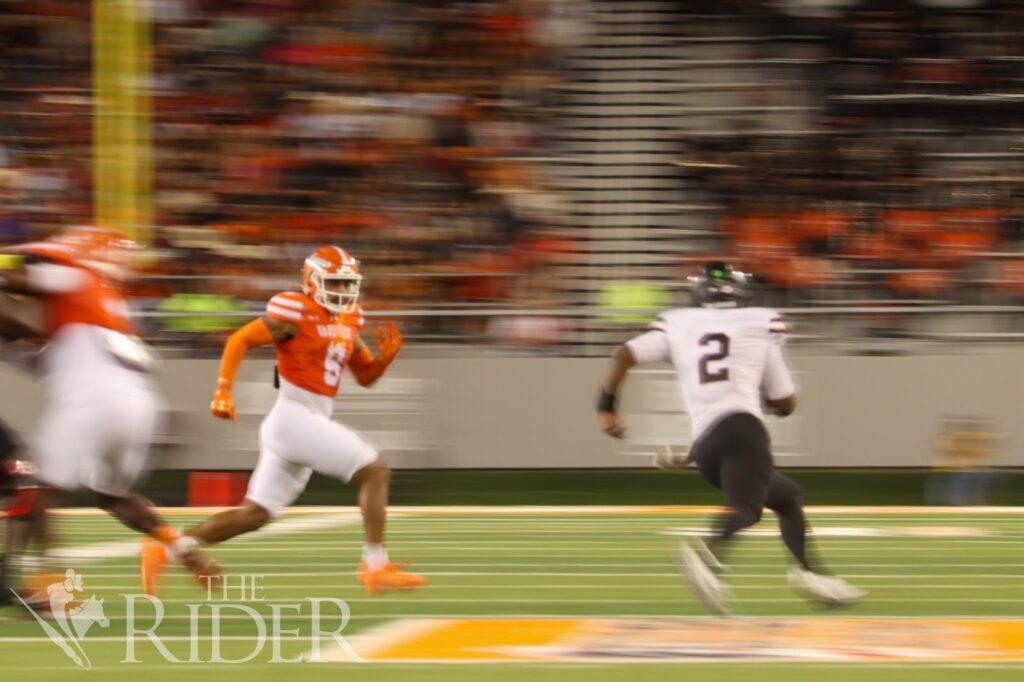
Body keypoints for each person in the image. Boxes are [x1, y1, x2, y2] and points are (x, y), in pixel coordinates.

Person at [141, 246, 427, 596]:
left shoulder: (348, 318)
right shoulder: (295, 312)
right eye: (335, 283)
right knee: (375, 471)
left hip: (299, 423)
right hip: (295, 418)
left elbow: (365, 376)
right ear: (313, 281)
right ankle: (376, 565)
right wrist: (223, 390)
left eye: (347, 284)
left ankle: (168, 547)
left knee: (255, 515)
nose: (342, 291)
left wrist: (384, 360)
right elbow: (240, 339)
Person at [596, 262, 865, 614]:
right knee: (747, 510)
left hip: (707, 448)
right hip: (743, 430)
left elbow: (624, 354)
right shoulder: (759, 324)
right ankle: (707, 558)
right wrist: (769, 400)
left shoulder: (678, 323)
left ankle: (811, 574)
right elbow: (785, 401)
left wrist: (607, 407)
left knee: (787, 497)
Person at [0, 226, 219, 593]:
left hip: (93, 399)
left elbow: (15, 280)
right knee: (112, 495)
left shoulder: (73, 275)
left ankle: (50, 588)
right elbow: (51, 356)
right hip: (141, 407)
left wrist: (8, 269)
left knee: (34, 487)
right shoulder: (111, 302)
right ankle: (181, 546)